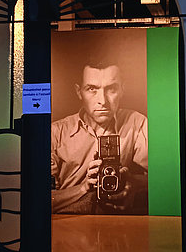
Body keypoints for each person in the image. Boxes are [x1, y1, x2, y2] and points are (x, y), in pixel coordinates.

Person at [50, 55, 149, 214]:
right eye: (92, 89)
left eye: (111, 89)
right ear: (79, 92)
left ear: (122, 90)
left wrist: (133, 184)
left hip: (117, 224)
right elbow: (36, 201)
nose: (102, 101)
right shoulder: (56, 133)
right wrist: (84, 188)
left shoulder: (136, 123)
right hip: (68, 225)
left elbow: (165, 176)